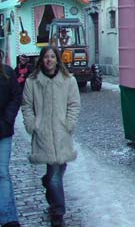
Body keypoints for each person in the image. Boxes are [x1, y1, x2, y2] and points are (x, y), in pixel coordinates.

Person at [21, 46, 80, 227]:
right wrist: (33, 125)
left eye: (52, 56)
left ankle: (48, 183)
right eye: (46, 57)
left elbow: (74, 104)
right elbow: (27, 105)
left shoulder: (68, 80)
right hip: (44, 134)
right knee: (55, 174)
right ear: (41, 60)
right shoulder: (32, 82)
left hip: (62, 134)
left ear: (57, 59)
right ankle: (58, 212)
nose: (49, 60)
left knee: (57, 171)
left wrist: (69, 124)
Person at [0, 52, 22, 227]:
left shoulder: (7, 73)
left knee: (2, 173)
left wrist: (6, 120)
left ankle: (8, 219)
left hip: (3, 131)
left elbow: (16, 97)